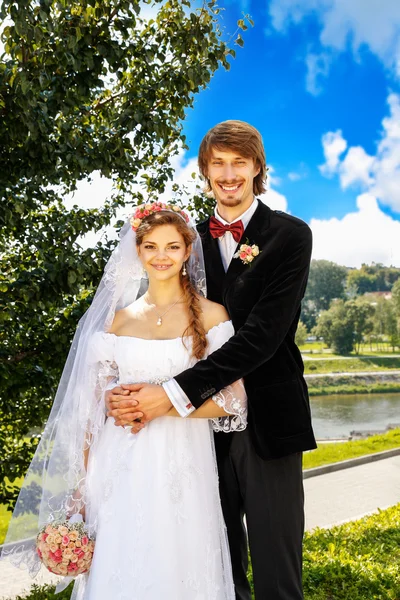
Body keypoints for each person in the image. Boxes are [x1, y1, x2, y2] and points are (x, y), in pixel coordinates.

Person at [107, 121, 317, 600]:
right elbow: (169, 320)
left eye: (239, 162)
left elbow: (261, 338)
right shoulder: (186, 241)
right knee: (216, 567)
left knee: (277, 570)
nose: (228, 174)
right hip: (198, 433)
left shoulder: (290, 236)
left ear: (257, 167)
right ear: (204, 172)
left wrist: (169, 395)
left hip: (267, 419)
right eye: (217, 163)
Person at [1, 204, 247, 600]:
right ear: (137, 252)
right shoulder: (116, 322)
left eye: (171, 246)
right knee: (121, 563)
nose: (161, 256)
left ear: (187, 251)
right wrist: (80, 490)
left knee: (178, 563)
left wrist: (161, 404)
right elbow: (89, 415)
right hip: (116, 466)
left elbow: (235, 401)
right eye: (150, 246)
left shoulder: (213, 315)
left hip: (182, 467)